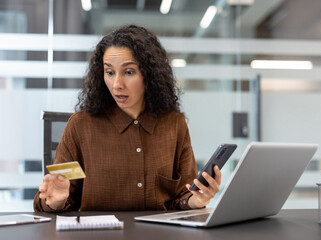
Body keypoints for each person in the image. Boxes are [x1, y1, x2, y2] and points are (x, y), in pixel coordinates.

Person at [33, 25, 221, 212]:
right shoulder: (81, 126)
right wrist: (56, 201)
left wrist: (196, 200)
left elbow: (183, 196)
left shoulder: (174, 124)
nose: (117, 85)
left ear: (149, 75)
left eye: (128, 72)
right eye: (109, 72)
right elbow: (51, 199)